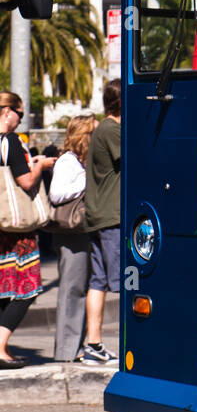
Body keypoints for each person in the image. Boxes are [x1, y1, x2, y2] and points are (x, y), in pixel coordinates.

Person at [0, 91, 55, 369]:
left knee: (3, 288)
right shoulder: (9, 140)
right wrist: (41, 164)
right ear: (8, 112)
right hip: (16, 229)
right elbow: (24, 181)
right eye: (20, 114)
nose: (20, 120)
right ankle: (0, 347)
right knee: (27, 288)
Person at [50, 115, 97, 363]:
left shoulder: (82, 161)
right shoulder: (67, 162)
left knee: (82, 288)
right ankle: (67, 351)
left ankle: (78, 346)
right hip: (71, 234)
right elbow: (57, 194)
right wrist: (86, 180)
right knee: (72, 289)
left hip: (83, 232)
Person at [80, 79, 121, 365]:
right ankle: (136, 345)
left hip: (98, 214)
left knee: (98, 280)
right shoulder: (112, 130)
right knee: (122, 282)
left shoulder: (100, 130)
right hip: (111, 215)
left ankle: (92, 344)